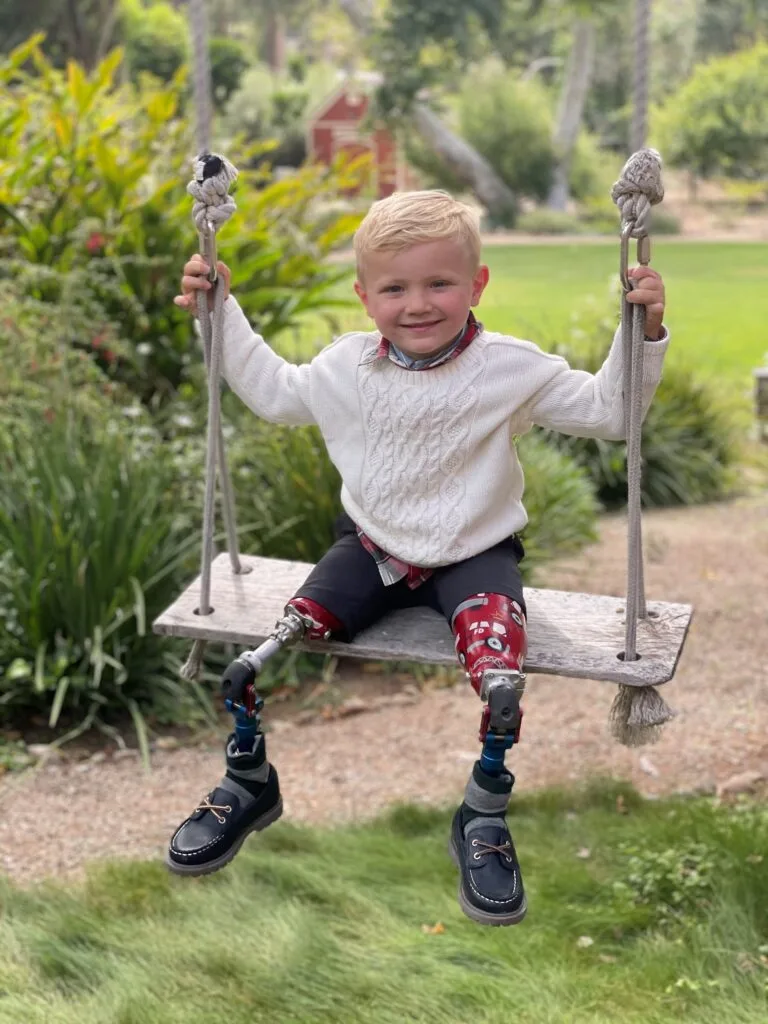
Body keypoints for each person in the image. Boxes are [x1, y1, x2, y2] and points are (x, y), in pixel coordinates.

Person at [167, 189, 668, 926]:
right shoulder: (346, 369)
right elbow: (273, 393)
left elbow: (610, 413)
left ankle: (483, 813)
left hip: (475, 555)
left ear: (478, 284)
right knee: (261, 654)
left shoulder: (509, 368)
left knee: (501, 674)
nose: (419, 304)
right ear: (364, 295)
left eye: (440, 283)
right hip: (371, 549)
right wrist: (219, 310)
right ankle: (248, 782)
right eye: (395, 288)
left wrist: (643, 330)